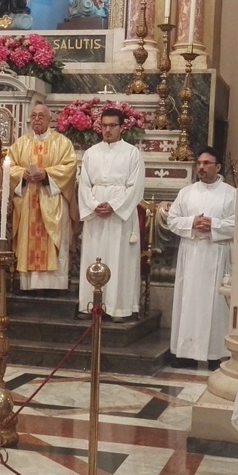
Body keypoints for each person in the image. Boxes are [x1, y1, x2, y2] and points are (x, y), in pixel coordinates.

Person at [167, 147, 236, 370]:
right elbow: (172, 220)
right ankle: (185, 353)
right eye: (199, 163)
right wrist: (192, 223)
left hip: (216, 252)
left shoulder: (231, 193)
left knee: (215, 305)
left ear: (218, 167)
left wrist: (213, 225)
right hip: (192, 252)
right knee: (188, 302)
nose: (201, 167)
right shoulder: (186, 192)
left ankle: (216, 353)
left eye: (207, 163)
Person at [78, 108, 144, 322]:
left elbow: (135, 187)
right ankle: (92, 305)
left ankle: (119, 307)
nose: (107, 129)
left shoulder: (132, 153)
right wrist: (94, 204)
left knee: (119, 259)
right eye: (104, 125)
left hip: (119, 214)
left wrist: (114, 206)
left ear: (121, 127)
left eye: (112, 125)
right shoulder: (91, 153)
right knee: (94, 254)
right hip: (96, 212)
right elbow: (84, 184)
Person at [8, 104, 77, 291]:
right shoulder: (21, 143)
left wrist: (46, 175)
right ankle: (28, 285)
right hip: (27, 201)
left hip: (52, 200)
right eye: (34, 116)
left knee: (54, 242)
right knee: (28, 242)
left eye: (41, 116)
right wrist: (22, 173)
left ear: (49, 119)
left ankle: (54, 286)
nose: (37, 119)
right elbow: (8, 166)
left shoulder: (62, 143)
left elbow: (70, 167)